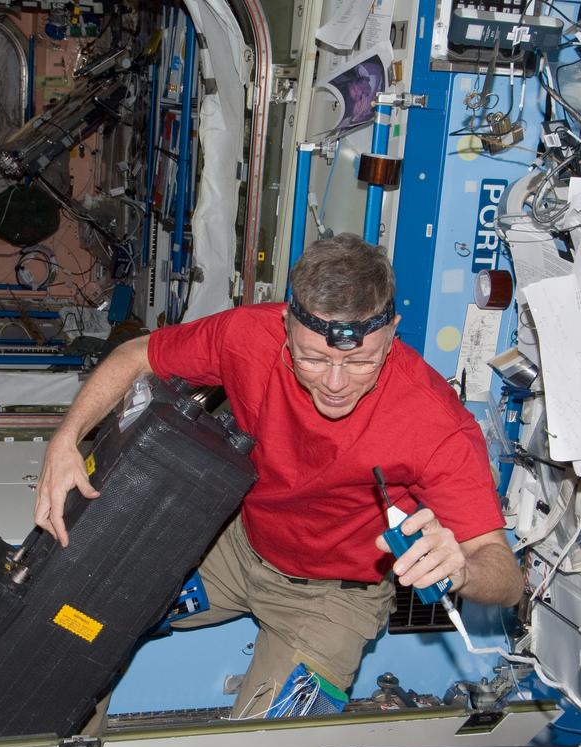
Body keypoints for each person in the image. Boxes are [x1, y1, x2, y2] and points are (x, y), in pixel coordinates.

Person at [34, 233, 523, 721]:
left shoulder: (436, 423)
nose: (335, 383)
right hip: (232, 546)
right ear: (286, 325)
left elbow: (506, 578)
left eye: (360, 361)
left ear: (393, 332)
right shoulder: (247, 335)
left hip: (332, 600)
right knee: (80, 616)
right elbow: (137, 355)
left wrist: (462, 569)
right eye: (313, 358)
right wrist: (66, 439)